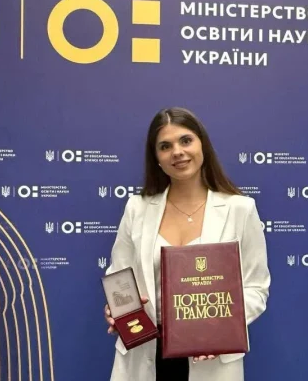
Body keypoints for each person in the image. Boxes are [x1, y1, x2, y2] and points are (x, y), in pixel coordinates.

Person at [103, 107, 271, 381]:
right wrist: (118, 309)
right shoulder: (137, 207)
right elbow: (119, 277)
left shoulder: (240, 209)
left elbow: (256, 288)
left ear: (202, 144)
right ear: (156, 157)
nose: (177, 152)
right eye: (165, 146)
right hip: (144, 354)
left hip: (211, 358)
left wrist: (218, 330)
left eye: (186, 140)